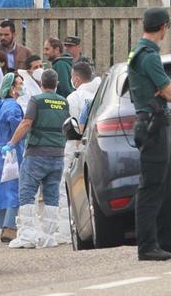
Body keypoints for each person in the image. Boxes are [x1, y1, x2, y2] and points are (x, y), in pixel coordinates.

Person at [128, 7, 171, 261]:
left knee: (168, 186)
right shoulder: (149, 56)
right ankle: (147, 246)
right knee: (152, 187)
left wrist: (162, 90)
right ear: (163, 27)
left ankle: (167, 241)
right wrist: (165, 89)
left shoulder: (140, 51)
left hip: (157, 124)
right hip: (153, 126)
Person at [2, 69, 69, 249]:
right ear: (56, 84)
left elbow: (26, 123)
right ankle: (47, 236)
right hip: (57, 155)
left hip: (37, 154)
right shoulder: (64, 102)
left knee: (27, 192)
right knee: (52, 194)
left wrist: (12, 142)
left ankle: (28, 234)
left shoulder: (36, 100)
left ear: (41, 84)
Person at [56, 61, 103, 245]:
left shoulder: (74, 97)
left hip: (75, 146)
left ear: (75, 78)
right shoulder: (101, 94)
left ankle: (67, 230)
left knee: (66, 188)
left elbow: (70, 125)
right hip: (96, 147)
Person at [0, 73, 27, 243]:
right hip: (12, 153)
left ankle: (4, 224)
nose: (22, 86)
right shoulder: (13, 107)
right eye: (19, 84)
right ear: (12, 88)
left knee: (3, 189)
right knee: (14, 190)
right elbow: (19, 130)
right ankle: (10, 227)